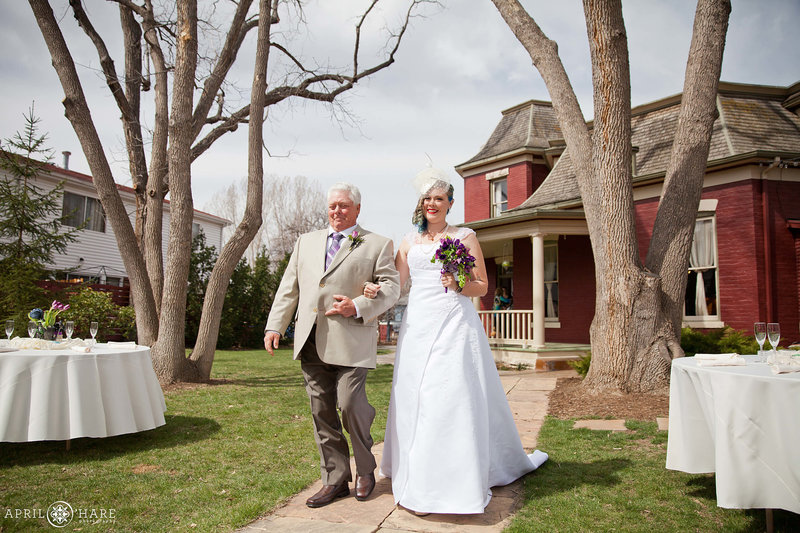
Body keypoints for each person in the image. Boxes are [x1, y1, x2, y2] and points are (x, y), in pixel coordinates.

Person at [364, 168, 547, 515]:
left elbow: (482, 286)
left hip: (454, 324)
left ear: (449, 203)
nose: (433, 204)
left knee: (447, 397)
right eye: (427, 198)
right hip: (417, 327)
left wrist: (457, 284)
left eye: (439, 198)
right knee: (414, 396)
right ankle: (415, 469)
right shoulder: (408, 242)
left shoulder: (464, 236)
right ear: (421, 204)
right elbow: (396, 287)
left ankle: (448, 480)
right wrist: (374, 290)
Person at [264, 182, 400, 508]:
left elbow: (391, 288)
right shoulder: (306, 242)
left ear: (357, 209)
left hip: (352, 340)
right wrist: (275, 325)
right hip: (311, 340)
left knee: (351, 403)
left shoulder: (376, 244)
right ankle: (336, 479)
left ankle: (366, 470)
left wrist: (358, 305)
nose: (336, 211)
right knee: (322, 412)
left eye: (343, 206)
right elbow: (290, 288)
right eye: (332, 206)